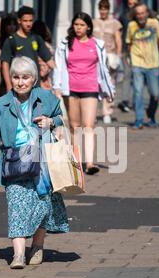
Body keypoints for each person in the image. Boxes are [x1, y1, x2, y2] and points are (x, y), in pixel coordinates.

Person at [0, 57, 69, 269]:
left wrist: (51, 121)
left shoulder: (46, 98)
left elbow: (60, 118)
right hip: (14, 162)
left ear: (34, 79)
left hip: (42, 160)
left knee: (43, 204)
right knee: (17, 206)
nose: (20, 82)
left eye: (25, 77)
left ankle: (37, 247)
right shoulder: (1, 104)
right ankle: (18, 255)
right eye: (16, 77)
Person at [53, 12, 114, 175]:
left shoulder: (97, 44)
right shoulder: (65, 43)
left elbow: (104, 69)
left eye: (82, 25)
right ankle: (76, 163)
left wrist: (109, 89)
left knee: (89, 125)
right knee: (75, 127)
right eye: (76, 24)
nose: (78, 28)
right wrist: (56, 86)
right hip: (70, 89)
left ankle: (90, 163)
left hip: (90, 88)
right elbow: (58, 66)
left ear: (88, 27)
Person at [126, 3, 159, 129]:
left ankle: (151, 115)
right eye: (138, 13)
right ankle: (138, 119)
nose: (140, 16)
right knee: (138, 92)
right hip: (137, 62)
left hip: (153, 63)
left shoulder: (154, 23)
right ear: (135, 15)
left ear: (147, 13)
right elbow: (128, 43)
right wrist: (127, 57)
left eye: (143, 13)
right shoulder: (131, 26)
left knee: (155, 93)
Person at [0, 6, 55, 93]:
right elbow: (5, 64)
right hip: (19, 86)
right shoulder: (11, 40)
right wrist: (8, 86)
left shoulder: (37, 38)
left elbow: (49, 60)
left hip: (35, 86)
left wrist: (62, 73)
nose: (28, 24)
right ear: (19, 21)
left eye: (30, 21)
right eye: (25, 21)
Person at [93, 0, 123, 125]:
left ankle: (107, 112)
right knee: (94, 86)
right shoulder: (93, 22)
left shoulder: (115, 23)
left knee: (109, 84)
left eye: (105, 8)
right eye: (101, 8)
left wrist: (119, 55)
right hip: (95, 57)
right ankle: (93, 113)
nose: (103, 11)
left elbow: (118, 39)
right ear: (99, 9)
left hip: (110, 56)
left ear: (108, 9)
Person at [117, 0, 138, 113]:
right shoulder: (124, 15)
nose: (132, 7)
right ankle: (125, 101)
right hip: (127, 49)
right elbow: (119, 32)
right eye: (130, 4)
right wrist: (119, 49)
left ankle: (136, 101)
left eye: (134, 4)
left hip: (140, 50)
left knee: (137, 76)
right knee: (127, 75)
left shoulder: (141, 16)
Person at [32, 20, 55, 90]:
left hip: (40, 84)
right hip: (45, 85)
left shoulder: (35, 45)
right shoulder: (48, 47)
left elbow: (43, 72)